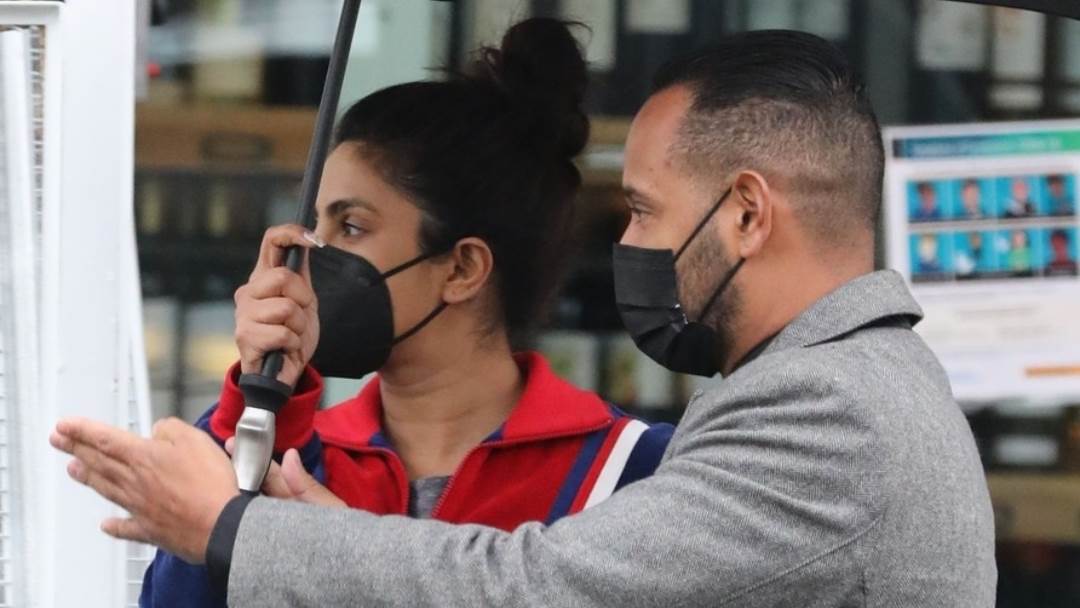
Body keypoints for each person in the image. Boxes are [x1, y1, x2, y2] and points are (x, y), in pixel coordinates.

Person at [51, 30, 998, 607]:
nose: (626, 239)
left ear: (747, 213)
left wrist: (233, 527)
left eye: (644, 210)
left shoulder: (821, 414)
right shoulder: (856, 387)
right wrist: (263, 404)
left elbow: (536, 587)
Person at [138, 18, 674, 607]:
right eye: (314, 226)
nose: (311, 257)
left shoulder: (631, 467)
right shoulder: (295, 452)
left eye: (351, 226)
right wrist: (259, 401)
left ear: (462, 268)